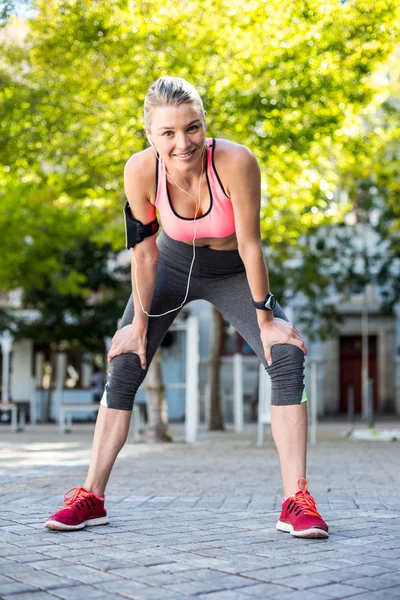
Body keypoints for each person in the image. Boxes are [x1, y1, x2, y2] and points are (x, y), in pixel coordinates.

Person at [45, 76, 328, 538]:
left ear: (204, 124)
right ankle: (91, 497)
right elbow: (144, 252)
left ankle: (296, 500)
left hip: (233, 268)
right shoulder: (139, 171)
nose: (183, 143)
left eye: (192, 128)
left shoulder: (236, 161)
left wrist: (266, 319)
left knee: (287, 356)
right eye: (168, 133)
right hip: (171, 266)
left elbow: (252, 246)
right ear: (150, 136)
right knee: (124, 361)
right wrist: (137, 325)